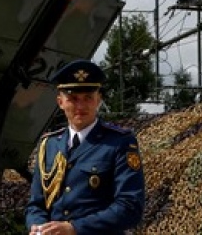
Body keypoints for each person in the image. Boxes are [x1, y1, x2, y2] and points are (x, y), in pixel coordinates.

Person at [25, 59, 145, 235]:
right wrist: (38, 227)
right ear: (60, 102)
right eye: (73, 99)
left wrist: (75, 228)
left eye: (88, 98)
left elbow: (130, 207)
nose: (80, 106)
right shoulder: (49, 145)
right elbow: (36, 205)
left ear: (98, 100)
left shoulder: (119, 142)